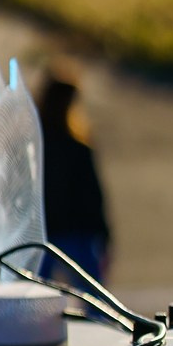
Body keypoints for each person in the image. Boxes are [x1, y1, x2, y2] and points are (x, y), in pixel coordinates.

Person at [38, 61, 112, 290]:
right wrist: (104, 236)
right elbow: (93, 194)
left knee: (32, 298)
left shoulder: (34, 144)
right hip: (75, 234)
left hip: (44, 233)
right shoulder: (77, 146)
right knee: (96, 302)